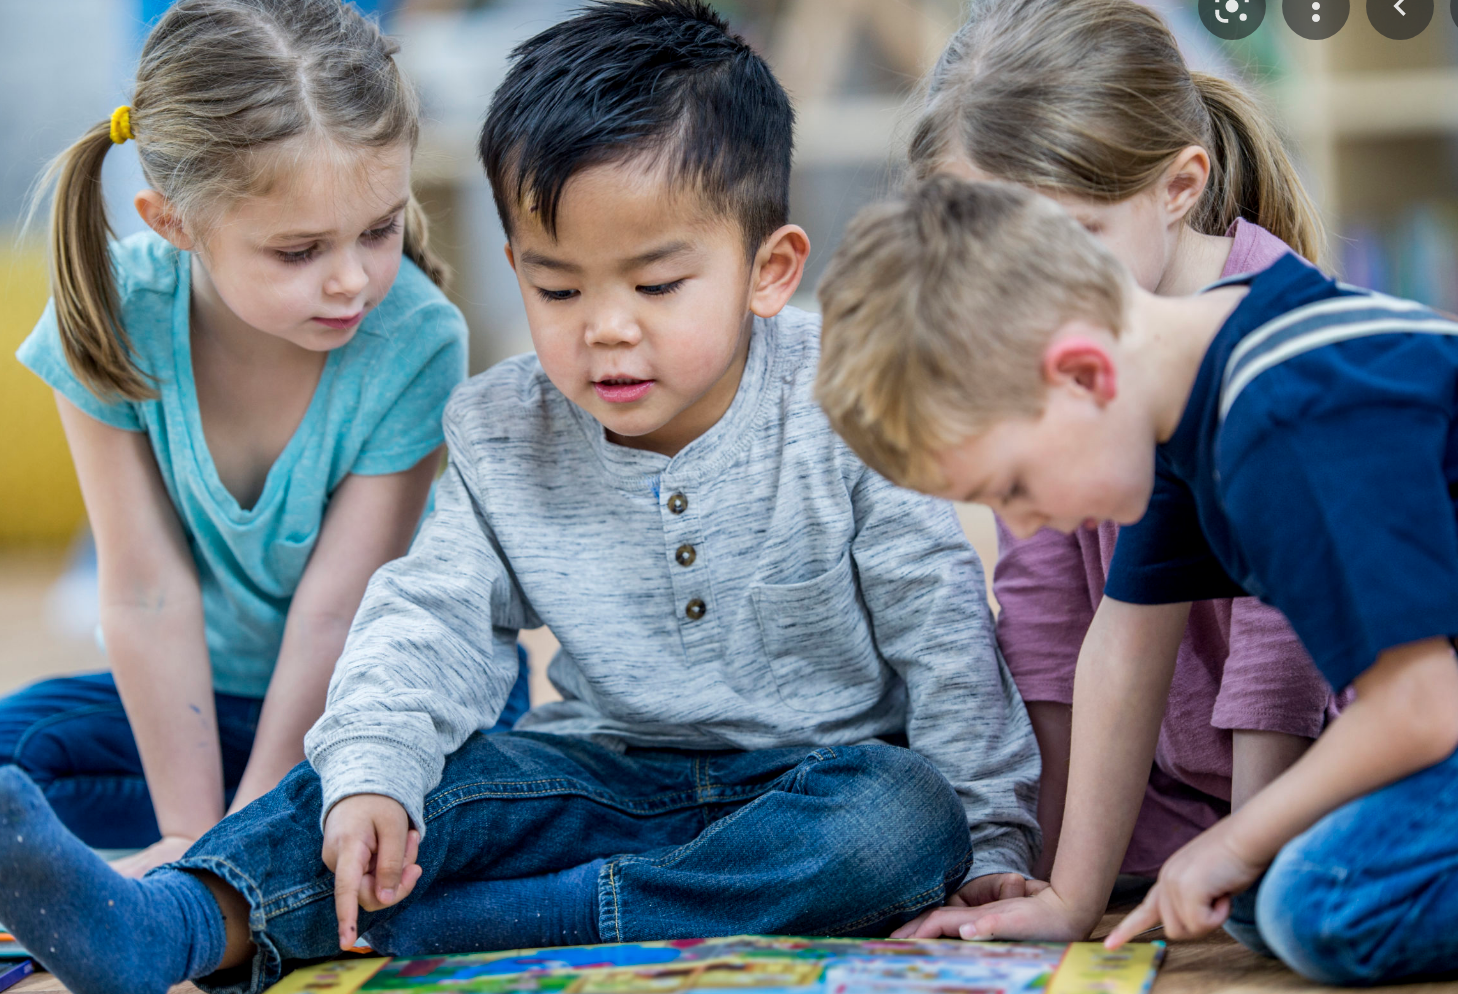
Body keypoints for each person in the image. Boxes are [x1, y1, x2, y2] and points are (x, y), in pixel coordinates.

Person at [0, 6, 1040, 994]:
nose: (606, 328)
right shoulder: (502, 426)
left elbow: (941, 624)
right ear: (514, 271)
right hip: (593, 778)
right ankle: (170, 927)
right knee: (389, 780)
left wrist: (993, 843)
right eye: (558, 289)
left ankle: (492, 919)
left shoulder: (846, 395)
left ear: (768, 270)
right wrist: (375, 773)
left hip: (814, 787)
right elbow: (429, 615)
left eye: (657, 286)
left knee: (906, 818)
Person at [816, 175, 1458, 984]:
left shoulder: (1283, 415)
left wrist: (1235, 836)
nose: (1026, 525)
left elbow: (1421, 707)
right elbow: (1123, 646)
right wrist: (1068, 902)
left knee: (1317, 903)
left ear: (1084, 375)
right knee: (1254, 895)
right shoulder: (1189, 387)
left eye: (1014, 486)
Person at [6, 0, 528, 878]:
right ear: (172, 222)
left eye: (379, 229)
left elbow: (336, 615)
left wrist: (227, 851)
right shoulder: (108, 316)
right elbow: (145, 593)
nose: (353, 279)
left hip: (379, 703)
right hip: (199, 709)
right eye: (299, 251)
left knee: (433, 804)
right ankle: (249, 857)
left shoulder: (416, 339)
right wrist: (190, 834)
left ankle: (252, 870)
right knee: (14, 754)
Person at [906, 0, 1343, 887]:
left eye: (1068, 243)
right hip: (1163, 791)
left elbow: (1285, 655)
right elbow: (1062, 618)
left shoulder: (1273, 354)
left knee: (1303, 907)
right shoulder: (1056, 337)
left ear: (1178, 188)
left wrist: (1246, 866)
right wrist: (1048, 878)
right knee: (923, 841)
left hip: (1334, 766)